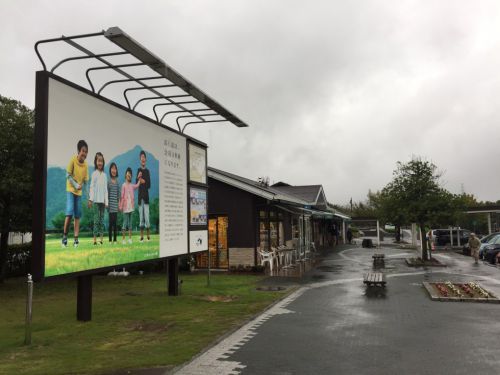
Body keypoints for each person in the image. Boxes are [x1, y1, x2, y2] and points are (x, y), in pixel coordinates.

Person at [62, 140, 89, 248]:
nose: (85, 154)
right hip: (70, 189)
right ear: (78, 151)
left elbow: (86, 182)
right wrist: (76, 185)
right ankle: (64, 237)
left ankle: (76, 240)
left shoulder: (86, 165)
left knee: (77, 215)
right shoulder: (73, 160)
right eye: (83, 151)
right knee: (69, 212)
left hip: (79, 192)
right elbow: (68, 175)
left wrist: (88, 197)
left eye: (86, 152)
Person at [88, 152, 108, 245]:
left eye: (101, 161)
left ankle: (101, 240)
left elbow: (105, 190)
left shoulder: (104, 175)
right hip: (96, 201)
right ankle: (95, 240)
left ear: (103, 162)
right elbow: (91, 187)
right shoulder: (94, 174)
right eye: (98, 161)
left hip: (102, 202)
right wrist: (91, 199)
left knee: (102, 220)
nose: (100, 163)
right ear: (96, 162)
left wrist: (106, 201)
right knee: (96, 220)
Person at [120, 167, 142, 244]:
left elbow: (137, 185)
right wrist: (120, 206)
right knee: (124, 223)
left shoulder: (132, 185)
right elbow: (122, 197)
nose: (129, 175)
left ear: (131, 176)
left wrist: (139, 178)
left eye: (130, 174)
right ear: (125, 175)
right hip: (125, 208)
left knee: (130, 224)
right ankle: (123, 239)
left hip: (131, 207)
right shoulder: (123, 185)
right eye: (128, 173)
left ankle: (129, 239)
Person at [136, 150, 151, 242]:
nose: (143, 158)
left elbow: (149, 185)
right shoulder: (138, 170)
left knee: (147, 217)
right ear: (140, 159)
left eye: (144, 157)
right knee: (141, 217)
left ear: (146, 159)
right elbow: (136, 184)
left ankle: (148, 236)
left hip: (146, 198)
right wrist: (138, 178)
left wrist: (144, 181)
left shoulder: (148, 171)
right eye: (141, 157)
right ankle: (141, 237)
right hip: (140, 197)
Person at [107, 162, 119, 244]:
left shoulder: (118, 182)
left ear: (116, 170)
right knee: (110, 223)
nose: (113, 170)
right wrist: (107, 204)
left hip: (115, 206)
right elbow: (107, 194)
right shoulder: (108, 182)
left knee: (115, 224)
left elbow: (118, 194)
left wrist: (118, 204)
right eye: (112, 168)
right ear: (110, 170)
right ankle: (110, 240)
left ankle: (115, 240)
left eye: (115, 168)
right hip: (110, 206)